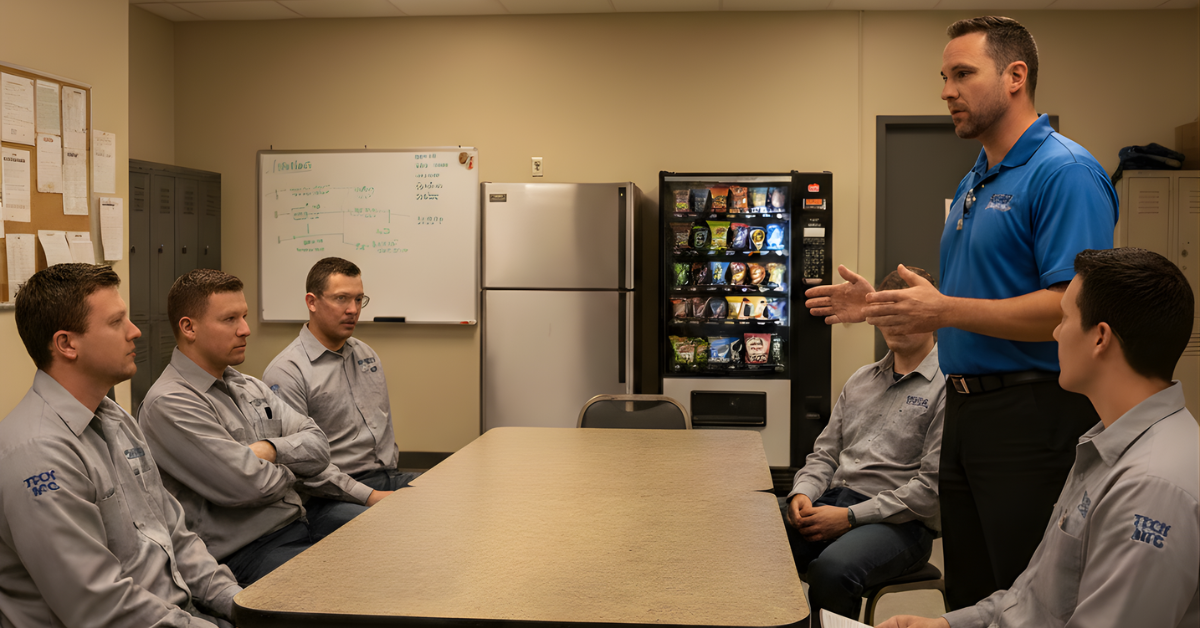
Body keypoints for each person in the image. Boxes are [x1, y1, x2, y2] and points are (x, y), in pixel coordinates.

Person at [805, 16, 1117, 609]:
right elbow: (966, 304)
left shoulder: (1064, 172)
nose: (947, 90)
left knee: (1026, 595)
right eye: (944, 77)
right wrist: (880, 305)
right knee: (971, 594)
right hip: (965, 410)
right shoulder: (976, 178)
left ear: (1016, 76)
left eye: (963, 74)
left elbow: (1071, 308)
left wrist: (943, 308)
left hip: (1033, 412)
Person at [879, 247, 1197, 628]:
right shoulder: (1104, 443)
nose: (1055, 332)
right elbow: (1032, 598)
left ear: (1100, 338)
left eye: (1064, 318)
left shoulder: (1150, 488)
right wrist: (945, 626)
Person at [0, 264, 240, 627]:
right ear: (67, 344)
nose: (135, 332)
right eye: (116, 323)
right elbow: (101, 607)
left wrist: (241, 604)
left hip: (178, 614)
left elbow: (176, 536)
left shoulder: (115, 417)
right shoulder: (38, 454)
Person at [138, 269, 362, 586]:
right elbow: (248, 486)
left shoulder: (248, 385)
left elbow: (319, 445)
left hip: (299, 520)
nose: (245, 330)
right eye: (230, 319)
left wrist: (270, 450)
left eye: (243, 316)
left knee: (386, 537)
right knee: (344, 589)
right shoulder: (170, 403)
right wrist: (296, 470)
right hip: (249, 550)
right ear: (189, 328)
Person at [785, 267, 946, 626]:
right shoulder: (861, 380)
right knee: (754, 534)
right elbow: (824, 454)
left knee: (832, 570)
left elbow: (929, 491)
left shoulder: (947, 388)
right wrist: (803, 493)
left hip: (901, 525)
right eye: (886, 310)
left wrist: (849, 518)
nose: (894, 321)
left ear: (933, 318)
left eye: (904, 310)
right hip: (832, 501)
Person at [263, 258, 418, 527]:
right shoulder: (287, 372)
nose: (353, 310)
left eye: (359, 299)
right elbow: (299, 467)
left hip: (385, 474)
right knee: (393, 524)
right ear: (311, 302)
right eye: (341, 299)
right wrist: (370, 496)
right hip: (328, 496)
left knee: (447, 497)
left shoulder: (366, 354)